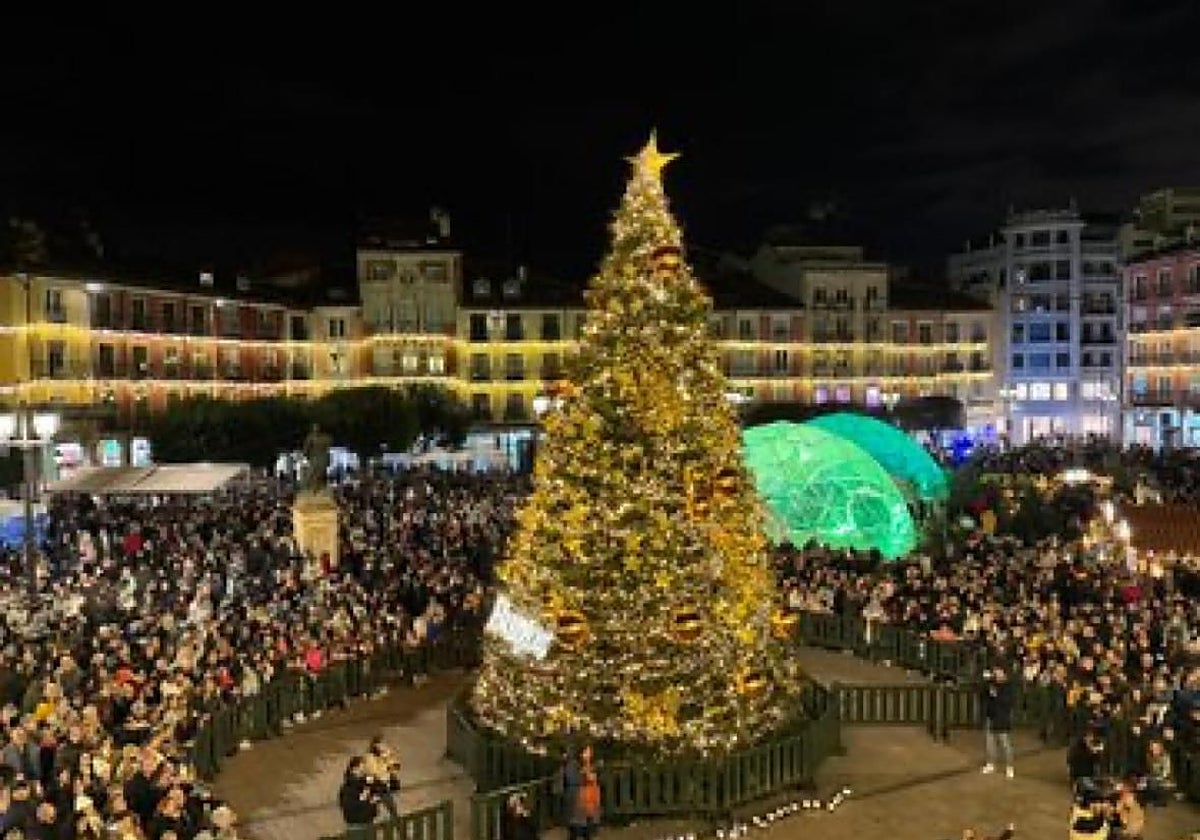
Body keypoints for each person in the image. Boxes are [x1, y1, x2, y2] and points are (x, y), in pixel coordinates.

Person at [558, 745, 601, 840]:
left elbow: (595, 780)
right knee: (576, 827)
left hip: (589, 798)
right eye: (586, 752)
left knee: (588, 827)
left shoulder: (591, 765)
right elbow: (572, 780)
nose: (588, 755)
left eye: (590, 752)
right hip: (578, 798)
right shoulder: (573, 765)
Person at [980, 667, 1015, 778]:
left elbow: (1008, 702)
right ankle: (990, 763)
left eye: (999, 671)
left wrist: (996, 695)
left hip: (1002, 718)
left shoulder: (1008, 686)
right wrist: (986, 681)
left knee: (1005, 743)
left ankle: (1009, 766)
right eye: (995, 671)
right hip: (991, 716)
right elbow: (982, 693)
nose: (996, 673)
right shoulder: (991, 684)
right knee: (989, 742)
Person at [338, 757, 379, 839]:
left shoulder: (364, 784)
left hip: (368, 822)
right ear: (355, 769)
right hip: (357, 826)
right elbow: (350, 809)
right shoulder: (348, 788)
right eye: (362, 769)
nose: (365, 771)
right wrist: (369, 802)